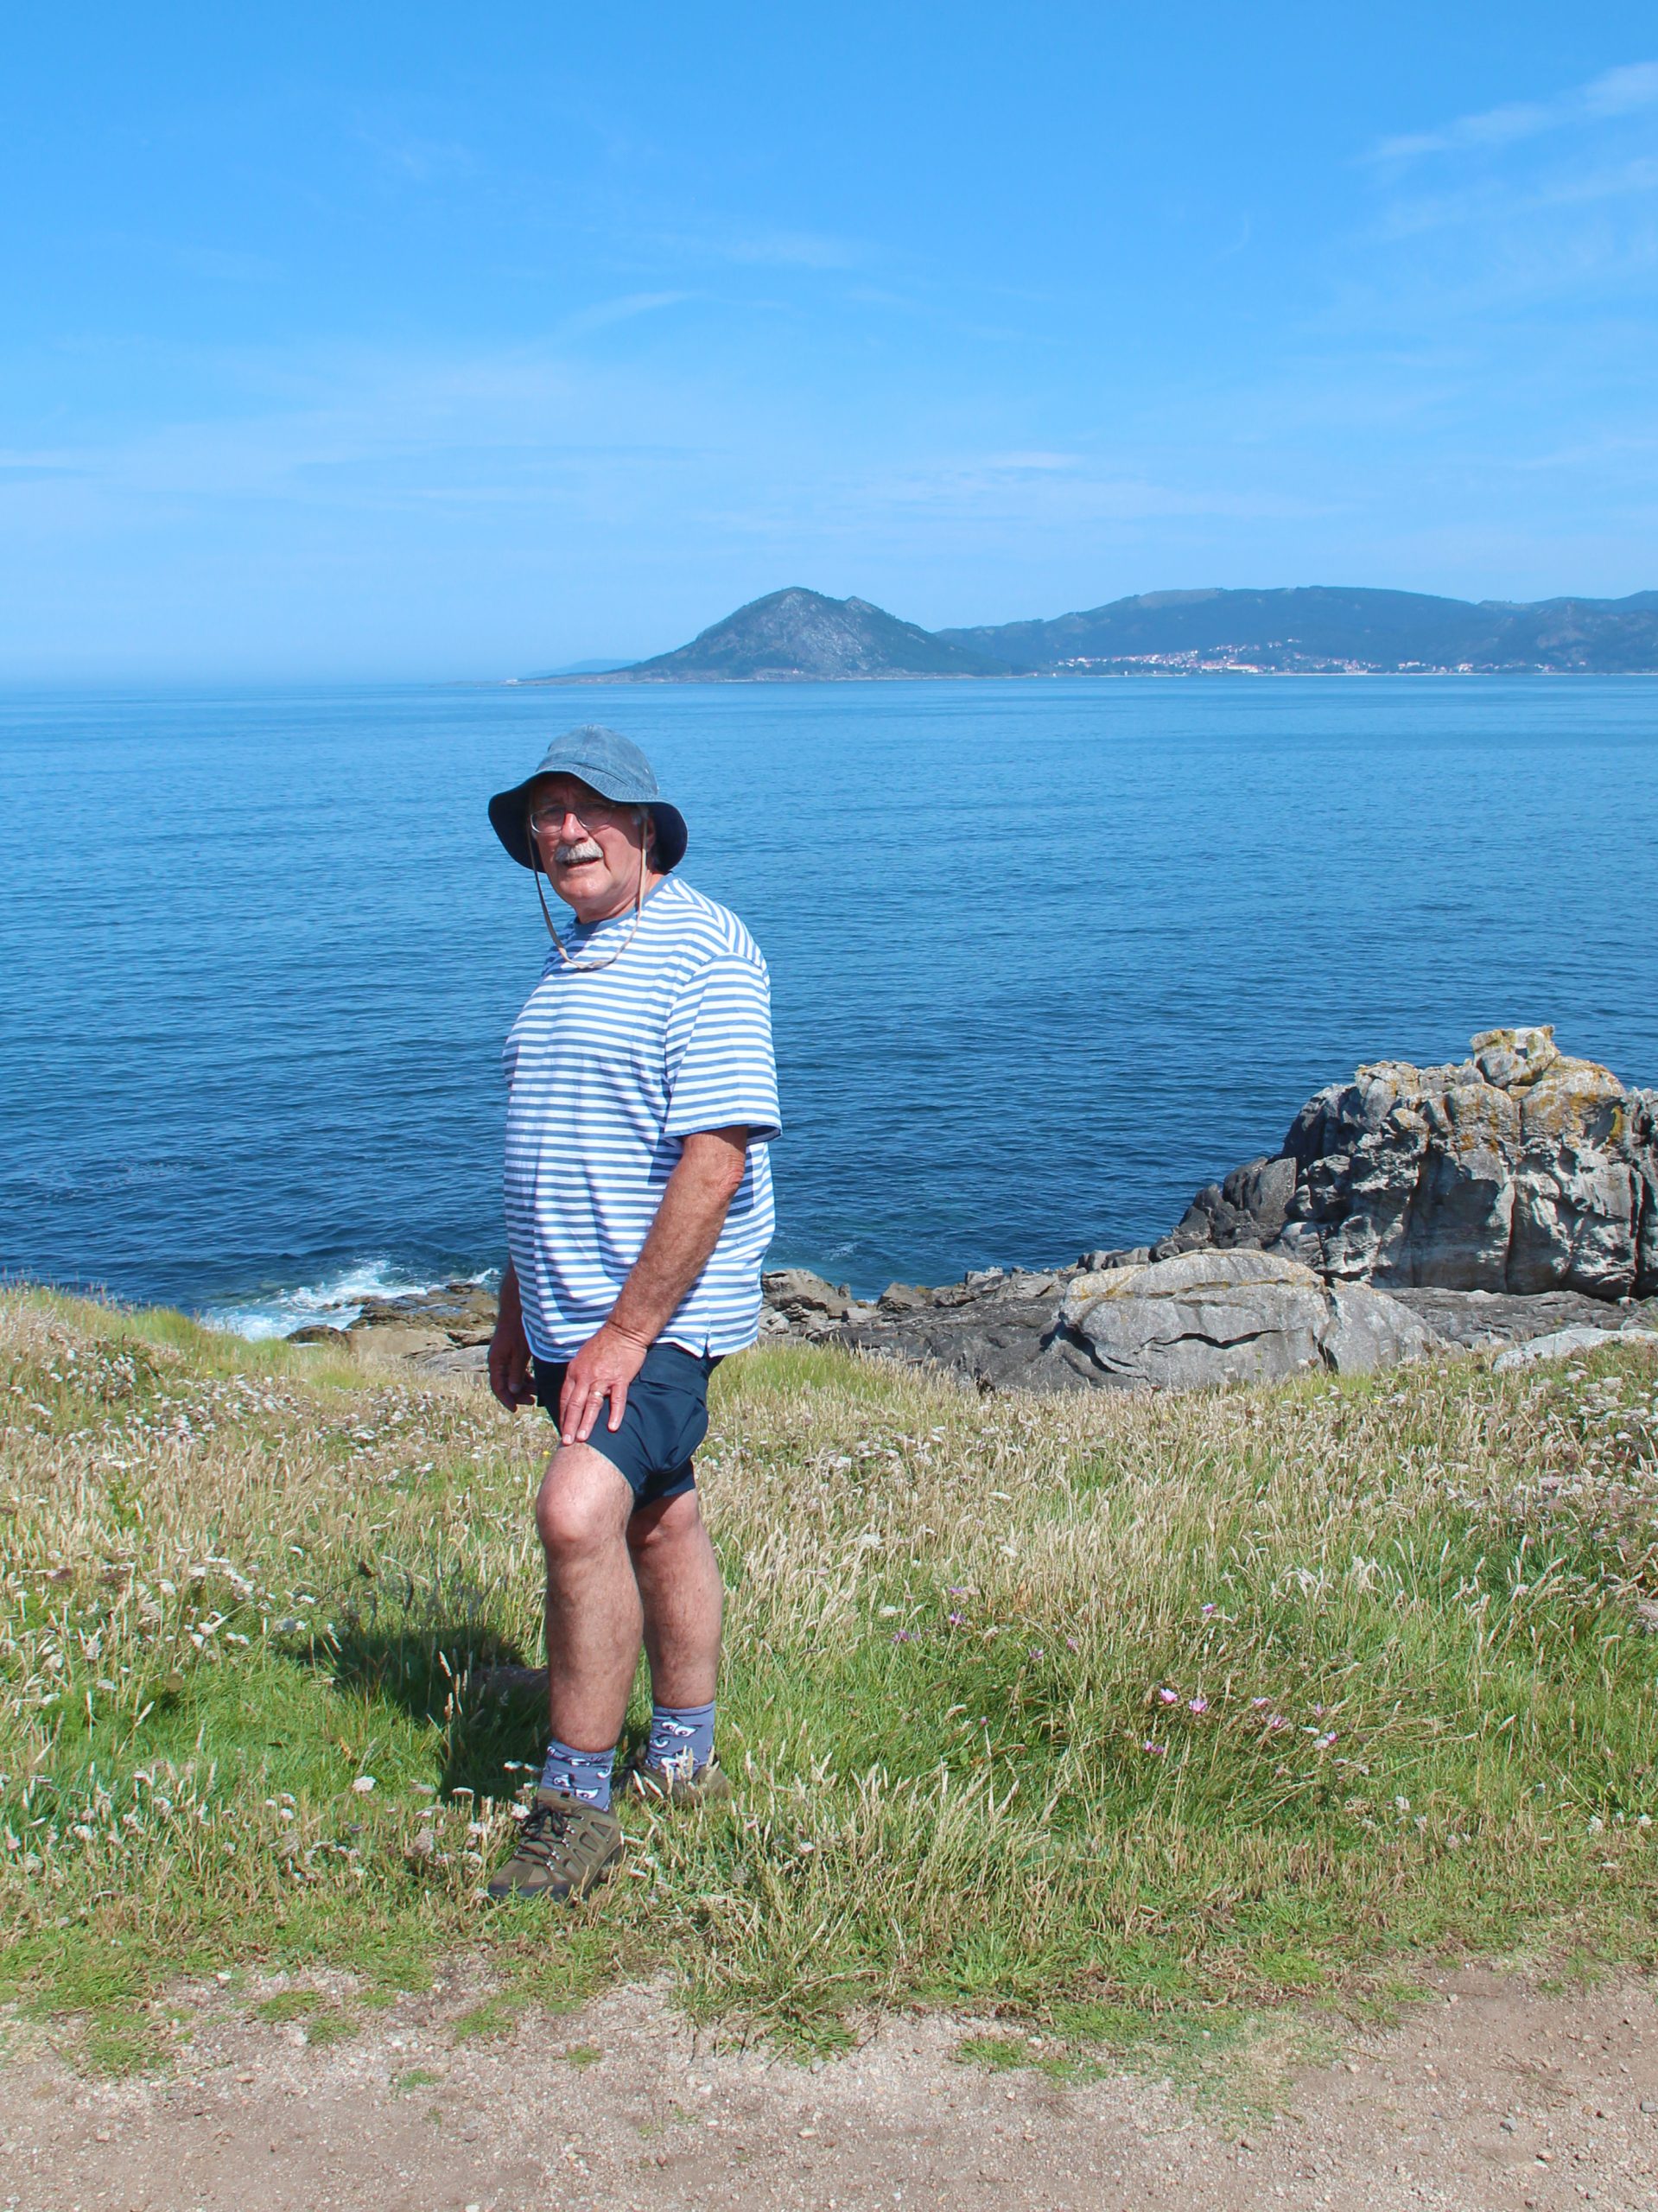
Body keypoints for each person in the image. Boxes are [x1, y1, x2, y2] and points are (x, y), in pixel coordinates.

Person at [482, 725, 779, 1902]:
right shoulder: (573, 965)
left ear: (644, 827)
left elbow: (716, 1158)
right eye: (544, 817)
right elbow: (543, 1153)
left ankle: (574, 1804)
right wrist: (517, 1310)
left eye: (586, 809)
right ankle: (685, 1753)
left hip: (653, 1324)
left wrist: (626, 1333)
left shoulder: (705, 947)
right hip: (569, 1322)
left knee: (573, 1513)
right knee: (659, 1519)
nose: (563, 832)